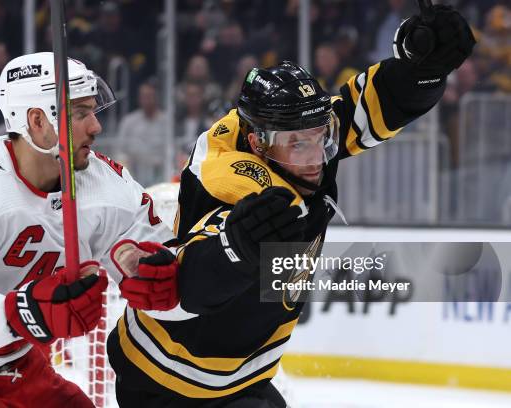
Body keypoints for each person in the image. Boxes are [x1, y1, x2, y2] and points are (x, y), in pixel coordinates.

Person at [106, 3, 476, 407]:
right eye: (299, 143)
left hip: (241, 381)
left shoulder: (292, 135)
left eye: (320, 136)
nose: (316, 155)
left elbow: (360, 111)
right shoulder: (230, 182)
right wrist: (237, 247)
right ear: (256, 144)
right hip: (168, 384)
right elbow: (193, 274)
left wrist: (421, 70)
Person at [0, 52, 175, 407]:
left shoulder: (104, 183)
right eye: (80, 113)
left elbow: (160, 252)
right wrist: (28, 312)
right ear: (37, 120)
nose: (96, 126)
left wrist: (160, 274)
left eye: (93, 110)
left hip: (13, 363)